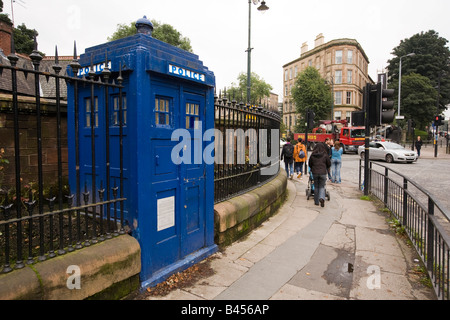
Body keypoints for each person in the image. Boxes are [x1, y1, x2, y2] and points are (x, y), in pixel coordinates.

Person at [308, 143, 331, 207]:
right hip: (323, 172)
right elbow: (329, 163)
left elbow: (310, 164)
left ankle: (316, 201)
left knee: (316, 186)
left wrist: (312, 168)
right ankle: (322, 198)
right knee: (322, 186)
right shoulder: (325, 155)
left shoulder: (313, 155)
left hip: (315, 172)